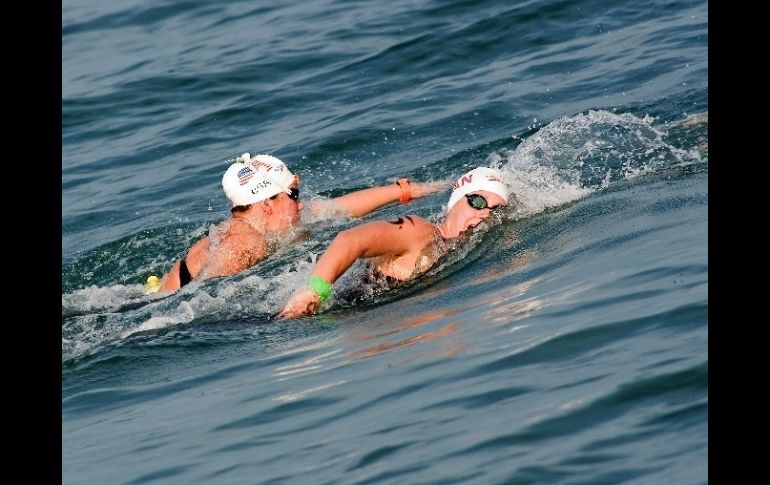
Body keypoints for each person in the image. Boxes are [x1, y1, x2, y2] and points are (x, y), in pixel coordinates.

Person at [145, 153, 444, 293]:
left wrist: (402, 191)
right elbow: (203, 298)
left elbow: (337, 209)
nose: (301, 203)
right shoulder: (245, 242)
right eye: (294, 194)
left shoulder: (267, 221)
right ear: (266, 203)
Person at [279, 166, 510, 318]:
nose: (485, 214)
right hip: (318, 320)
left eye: (495, 210)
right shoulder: (419, 231)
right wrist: (315, 293)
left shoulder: (456, 248)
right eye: (478, 202)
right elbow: (349, 239)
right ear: (458, 200)